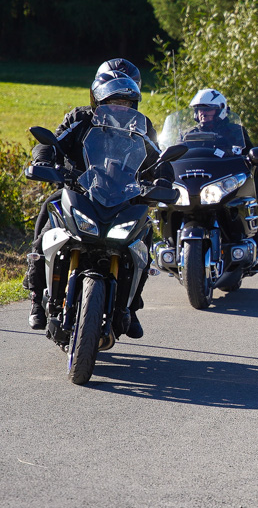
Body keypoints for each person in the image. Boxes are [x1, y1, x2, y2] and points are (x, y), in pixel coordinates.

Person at [24, 70, 170, 336]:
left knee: (144, 237)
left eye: (125, 102)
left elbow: (157, 159)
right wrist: (43, 159)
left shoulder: (143, 126)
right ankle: (36, 295)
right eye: (113, 101)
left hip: (124, 197)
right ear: (98, 100)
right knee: (48, 214)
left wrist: (164, 180)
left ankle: (131, 307)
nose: (119, 107)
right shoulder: (80, 118)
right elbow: (54, 143)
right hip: (80, 190)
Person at [185, 88, 258, 201]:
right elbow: (176, 154)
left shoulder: (235, 131)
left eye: (208, 110)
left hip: (225, 181)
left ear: (220, 110)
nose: (203, 113)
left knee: (240, 202)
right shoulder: (188, 134)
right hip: (195, 180)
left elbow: (249, 157)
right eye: (199, 109)